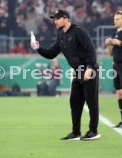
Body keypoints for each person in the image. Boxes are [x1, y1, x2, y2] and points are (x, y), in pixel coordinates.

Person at [31, 10, 100, 141]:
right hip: (77, 72)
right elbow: (51, 53)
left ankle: (93, 131)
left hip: (88, 69)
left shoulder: (79, 31)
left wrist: (89, 68)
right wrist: (38, 48)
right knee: (74, 102)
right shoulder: (61, 35)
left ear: (66, 18)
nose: (55, 21)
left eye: (57, 18)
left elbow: (91, 50)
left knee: (91, 102)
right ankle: (76, 132)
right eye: (54, 19)